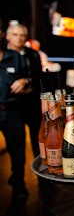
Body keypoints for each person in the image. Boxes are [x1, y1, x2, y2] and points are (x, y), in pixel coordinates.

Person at [6, 23, 42, 158]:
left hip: (32, 103)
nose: (19, 38)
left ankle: (42, 178)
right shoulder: (2, 55)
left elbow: (38, 75)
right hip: (12, 106)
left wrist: (26, 81)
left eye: (22, 35)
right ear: (8, 36)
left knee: (38, 143)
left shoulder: (33, 54)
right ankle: (17, 178)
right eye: (15, 35)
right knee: (16, 146)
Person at [0, 41, 30, 202]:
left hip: (12, 110)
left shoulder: (15, 56)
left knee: (17, 151)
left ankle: (18, 183)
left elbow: (30, 79)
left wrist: (25, 81)